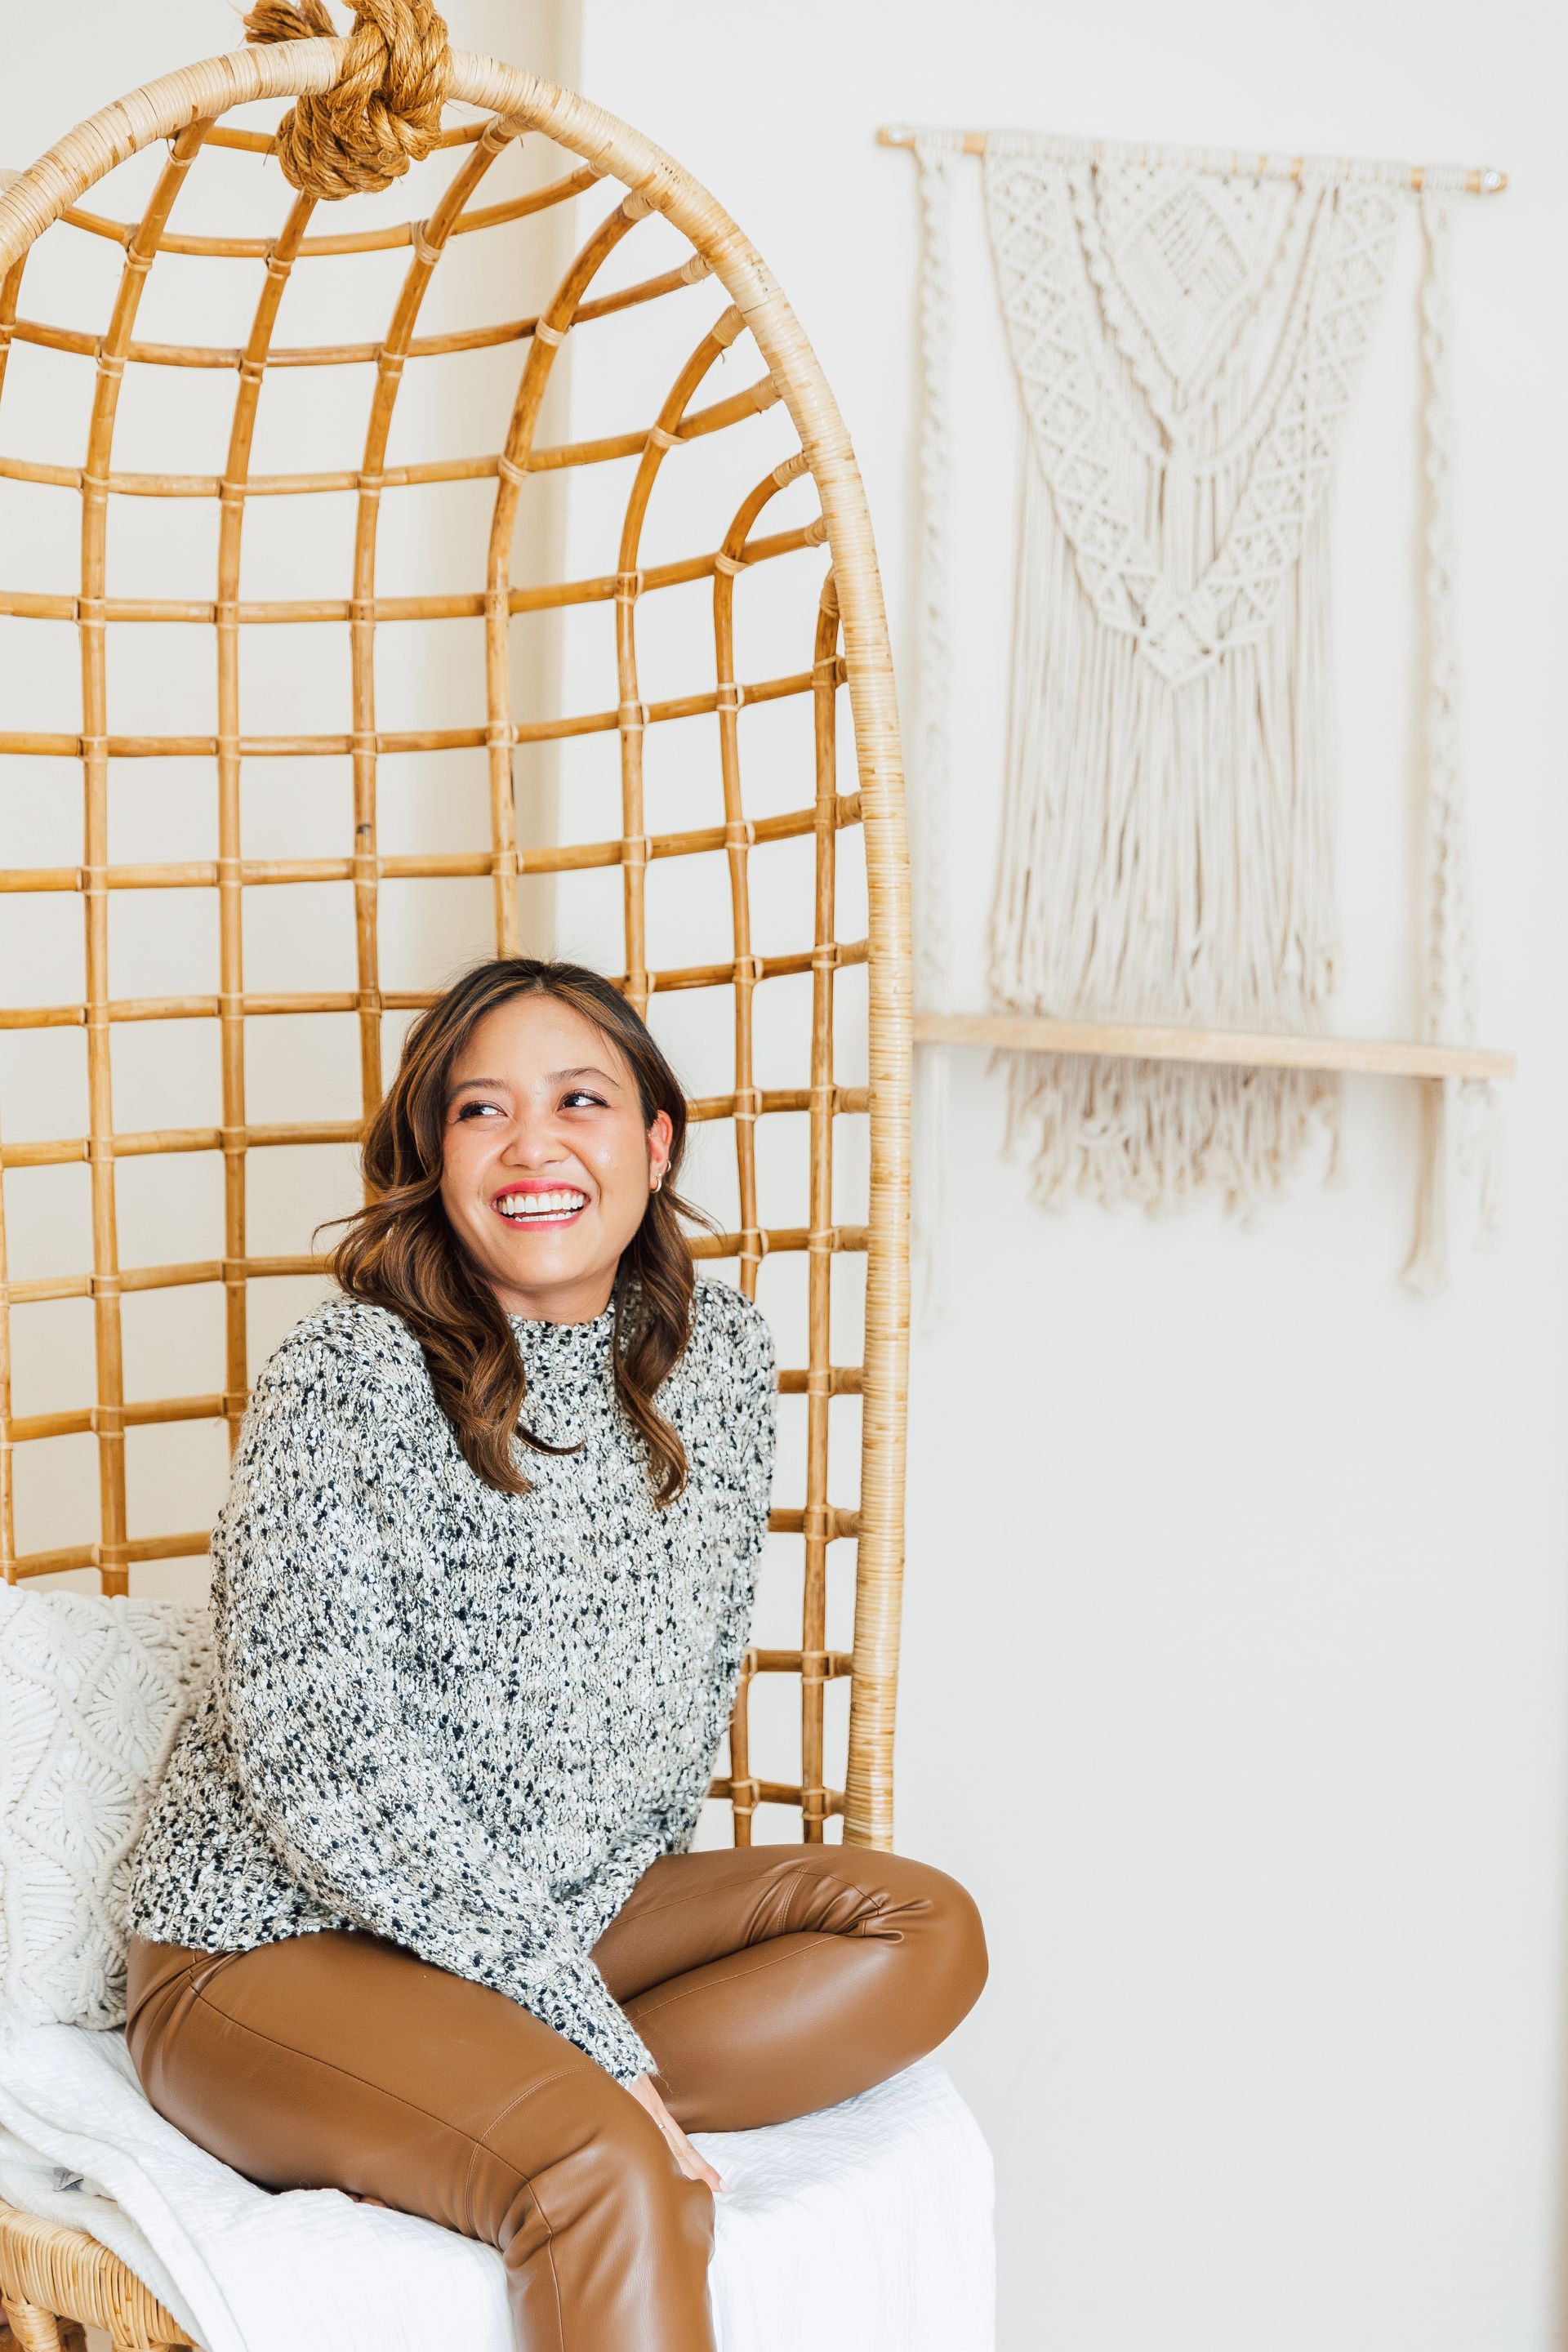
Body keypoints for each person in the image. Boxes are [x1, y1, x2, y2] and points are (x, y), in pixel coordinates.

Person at [123, 955, 987, 2352]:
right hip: (268, 1948)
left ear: (654, 1143)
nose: (533, 1145)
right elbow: (323, 1782)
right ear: (433, 1160)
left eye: (580, 1099)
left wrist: (562, 1995)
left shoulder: (719, 1364)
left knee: (924, 1930)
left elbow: (678, 1701)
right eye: (480, 1112)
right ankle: (542, 2117)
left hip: (553, 1910)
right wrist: (566, 2020)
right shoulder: (346, 1376)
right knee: (608, 2171)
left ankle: (495, 2089)